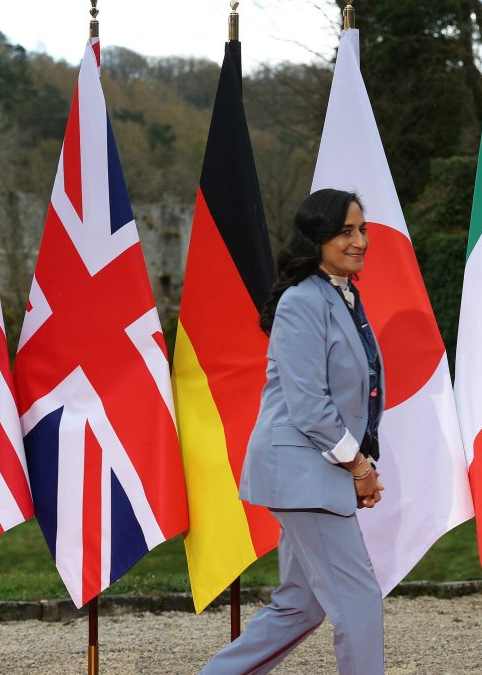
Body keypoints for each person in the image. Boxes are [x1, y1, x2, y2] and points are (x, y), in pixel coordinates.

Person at [201, 189, 386, 675]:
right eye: (346, 231)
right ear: (317, 237)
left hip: (312, 471)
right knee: (359, 598)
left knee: (300, 606)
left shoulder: (341, 295)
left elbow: (355, 392)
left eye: (361, 229)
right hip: (302, 472)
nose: (359, 240)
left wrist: (360, 463)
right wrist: (359, 466)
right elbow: (310, 406)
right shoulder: (304, 301)